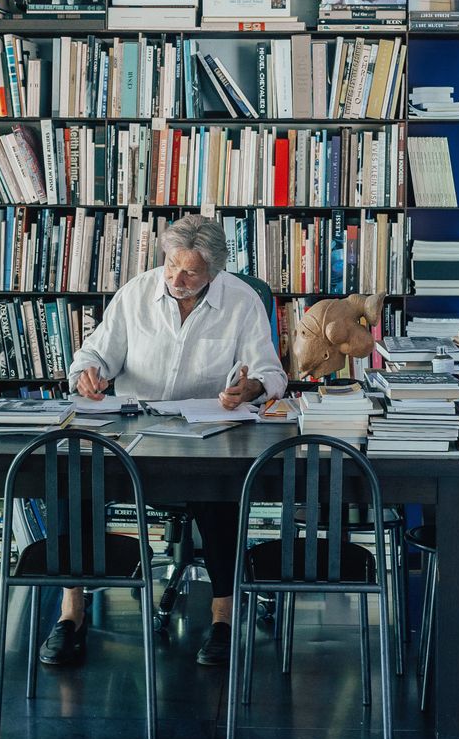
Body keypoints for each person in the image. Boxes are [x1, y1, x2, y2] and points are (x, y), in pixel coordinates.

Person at [38, 215, 287, 668]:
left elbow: (270, 372)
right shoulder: (137, 293)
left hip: (207, 433)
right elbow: (94, 353)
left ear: (214, 269)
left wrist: (251, 388)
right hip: (134, 431)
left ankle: (222, 619)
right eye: (172, 265)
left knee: (220, 489)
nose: (177, 279)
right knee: (74, 479)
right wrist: (87, 375)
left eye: (190, 271)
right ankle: (71, 614)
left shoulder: (242, 300)